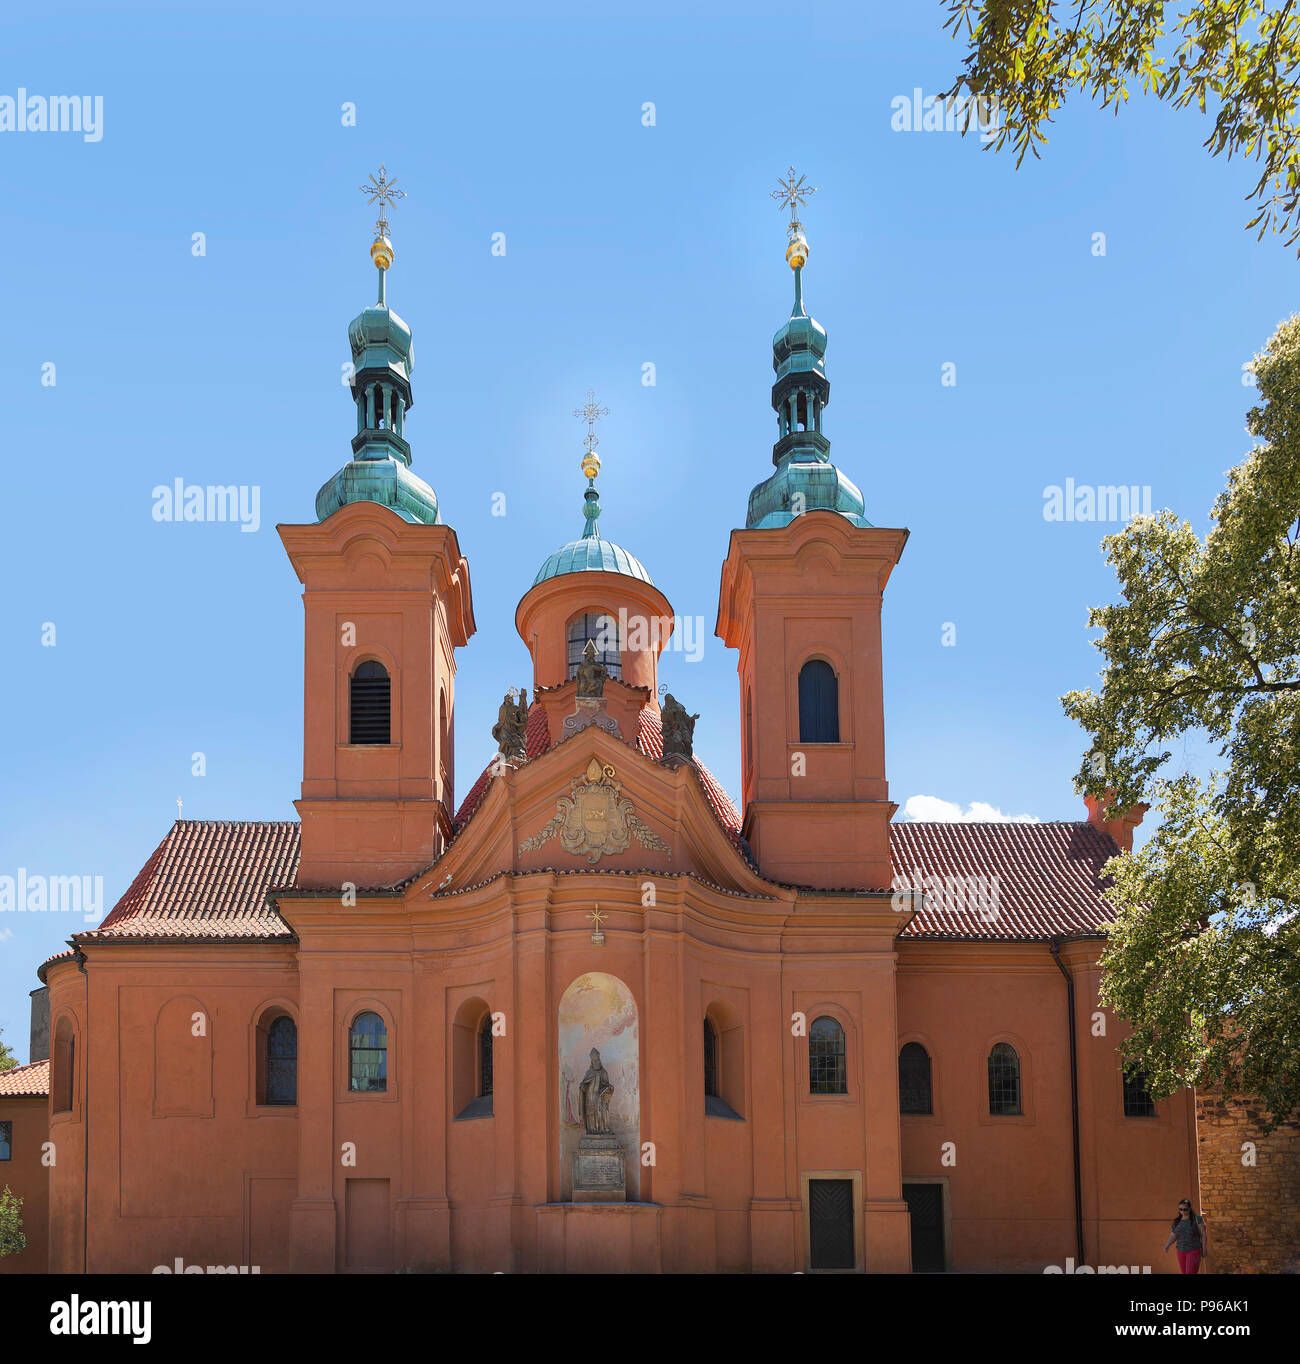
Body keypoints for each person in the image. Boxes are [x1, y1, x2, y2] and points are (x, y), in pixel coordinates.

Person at [1163, 1199, 1209, 1273]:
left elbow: (1203, 1234)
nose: (1183, 1211)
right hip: (1180, 1251)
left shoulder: (1197, 1219)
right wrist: (1168, 1244)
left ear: (1190, 1209)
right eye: (1180, 1209)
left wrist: (1204, 1248)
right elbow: (1174, 1235)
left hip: (1194, 1250)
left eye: (1185, 1209)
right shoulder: (1177, 1221)